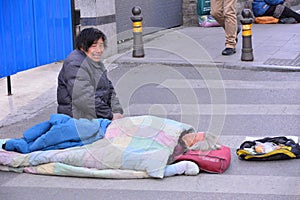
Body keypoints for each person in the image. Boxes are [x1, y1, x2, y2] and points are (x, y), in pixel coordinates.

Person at [57, 28, 124, 120]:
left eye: (101, 45)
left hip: (96, 116)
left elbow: (109, 89)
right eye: (94, 46)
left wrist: (117, 111)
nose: (99, 50)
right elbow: (85, 98)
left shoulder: (95, 62)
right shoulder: (75, 64)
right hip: (78, 119)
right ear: (82, 47)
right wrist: (110, 115)